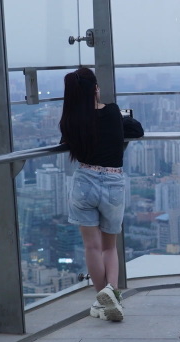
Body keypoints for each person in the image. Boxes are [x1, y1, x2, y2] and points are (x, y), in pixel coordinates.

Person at [59, 67, 144, 322]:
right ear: (95, 88)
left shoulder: (70, 120)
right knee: (109, 246)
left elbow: (67, 141)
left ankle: (102, 299)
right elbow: (136, 129)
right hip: (113, 182)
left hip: (84, 181)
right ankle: (112, 293)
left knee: (92, 247)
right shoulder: (112, 112)